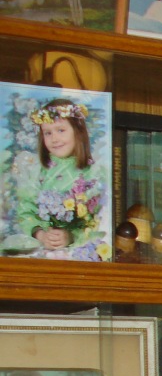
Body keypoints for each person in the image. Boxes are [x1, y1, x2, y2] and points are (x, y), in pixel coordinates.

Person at [16, 98, 106, 257]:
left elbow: (97, 222)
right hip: (41, 250)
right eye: (48, 133)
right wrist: (40, 234)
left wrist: (70, 236)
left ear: (78, 132)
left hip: (78, 252)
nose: (54, 139)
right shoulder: (37, 171)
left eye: (61, 130)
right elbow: (25, 211)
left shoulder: (93, 174)